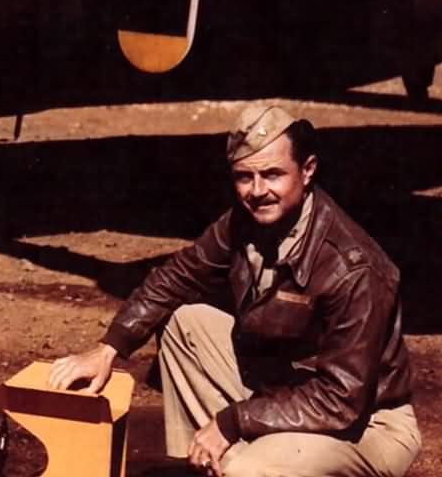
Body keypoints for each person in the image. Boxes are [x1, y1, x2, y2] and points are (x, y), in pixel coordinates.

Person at [50, 104, 420, 477]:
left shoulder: (354, 267)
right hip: (286, 387)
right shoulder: (244, 223)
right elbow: (178, 275)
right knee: (185, 324)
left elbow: (341, 400)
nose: (258, 191)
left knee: (249, 468)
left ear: (307, 170)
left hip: (366, 424)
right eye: (245, 177)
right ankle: (218, 464)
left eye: (273, 175)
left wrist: (232, 422)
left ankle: (244, 465)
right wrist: (109, 347)